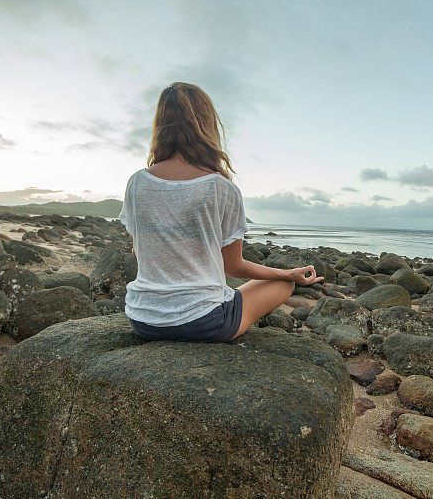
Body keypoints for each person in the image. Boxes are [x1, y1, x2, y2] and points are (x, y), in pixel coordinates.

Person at [118, 82, 323, 342]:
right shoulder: (221, 188)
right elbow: (233, 267)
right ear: (207, 125)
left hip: (144, 320)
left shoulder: (136, 182)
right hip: (204, 323)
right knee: (283, 284)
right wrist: (287, 273)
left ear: (159, 125)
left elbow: (139, 252)